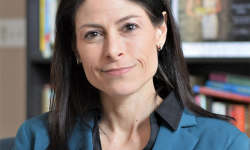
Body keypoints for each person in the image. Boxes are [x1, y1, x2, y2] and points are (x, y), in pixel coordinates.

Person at [13, 0, 249, 150]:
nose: (113, 51)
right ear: (76, 48)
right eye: (93, 34)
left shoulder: (225, 143)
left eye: (129, 27)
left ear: (160, 32)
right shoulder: (36, 138)